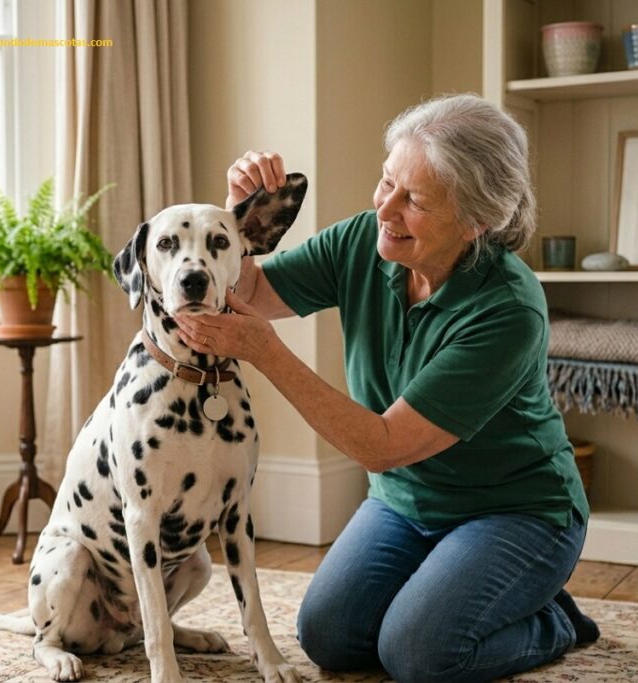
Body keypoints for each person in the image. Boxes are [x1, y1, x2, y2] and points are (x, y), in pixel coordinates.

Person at [175, 94, 598, 682]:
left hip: (516, 509)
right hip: (404, 501)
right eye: (387, 182)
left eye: (415, 200)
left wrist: (265, 352)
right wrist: (236, 216)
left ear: (477, 220)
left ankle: (552, 620)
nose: (386, 209)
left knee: (418, 656)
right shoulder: (362, 243)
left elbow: (382, 445)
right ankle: (453, 587)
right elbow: (253, 293)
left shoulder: (508, 309)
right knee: (328, 637)